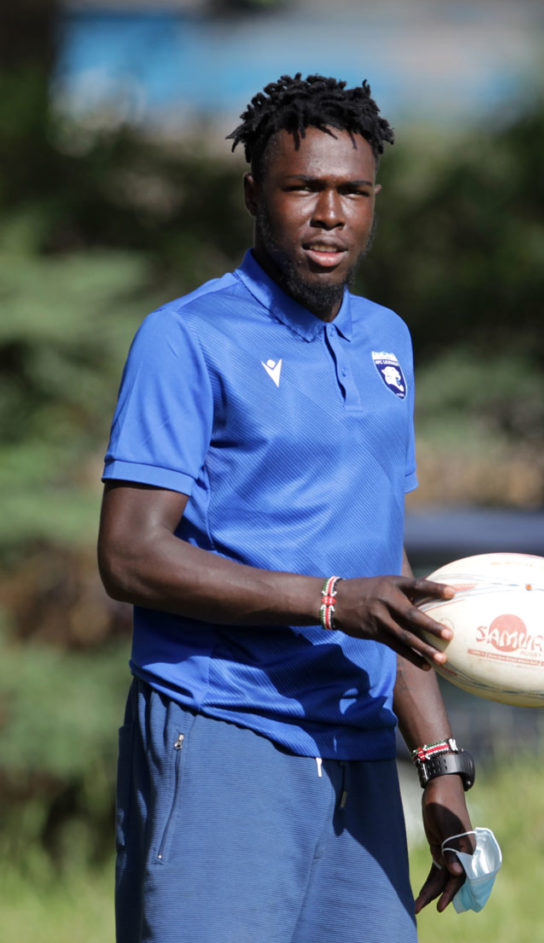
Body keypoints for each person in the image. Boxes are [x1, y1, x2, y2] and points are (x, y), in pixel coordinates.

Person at [98, 74, 478, 943]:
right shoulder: (185, 337)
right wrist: (330, 601)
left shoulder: (387, 339)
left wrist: (439, 762)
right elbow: (128, 554)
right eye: (303, 187)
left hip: (358, 752)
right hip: (224, 730)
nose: (330, 214)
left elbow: (385, 565)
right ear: (253, 193)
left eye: (353, 192)